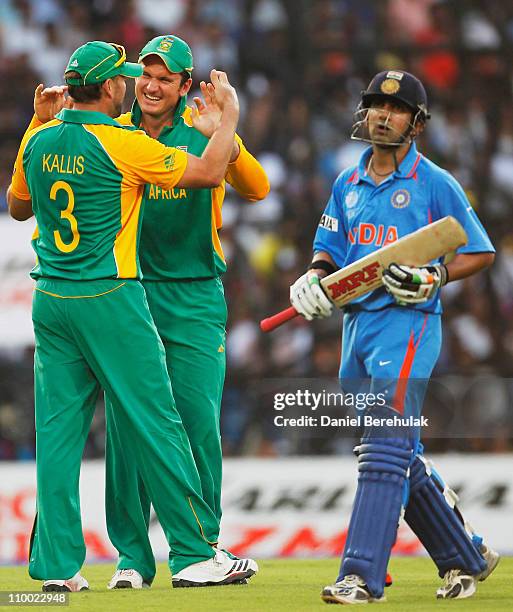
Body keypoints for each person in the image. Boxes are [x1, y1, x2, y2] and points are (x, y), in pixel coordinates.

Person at [7, 40, 257, 591]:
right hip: (111, 296)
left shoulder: (40, 137)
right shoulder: (123, 142)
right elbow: (212, 171)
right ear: (110, 89)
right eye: (123, 79)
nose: (132, 85)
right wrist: (231, 118)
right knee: (157, 421)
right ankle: (193, 554)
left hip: (50, 300)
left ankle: (57, 571)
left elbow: (18, 206)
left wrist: (34, 121)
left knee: (58, 435)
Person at [288, 70, 498, 604]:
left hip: (408, 325)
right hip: (357, 327)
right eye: (376, 106)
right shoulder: (347, 181)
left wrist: (436, 276)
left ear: (417, 122)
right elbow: (328, 248)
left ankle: (361, 575)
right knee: (397, 450)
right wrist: (313, 278)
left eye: (398, 108)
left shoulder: (434, 182)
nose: (383, 115)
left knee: (382, 449)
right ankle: (466, 556)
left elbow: (478, 250)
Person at [103, 34, 269, 589]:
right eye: (145, 75)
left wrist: (226, 130)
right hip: (131, 292)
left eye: (165, 78)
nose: (151, 85)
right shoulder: (116, 132)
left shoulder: (203, 127)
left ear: (182, 86)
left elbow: (259, 188)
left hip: (195, 296)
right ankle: (131, 558)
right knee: (130, 430)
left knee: (197, 422)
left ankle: (202, 544)